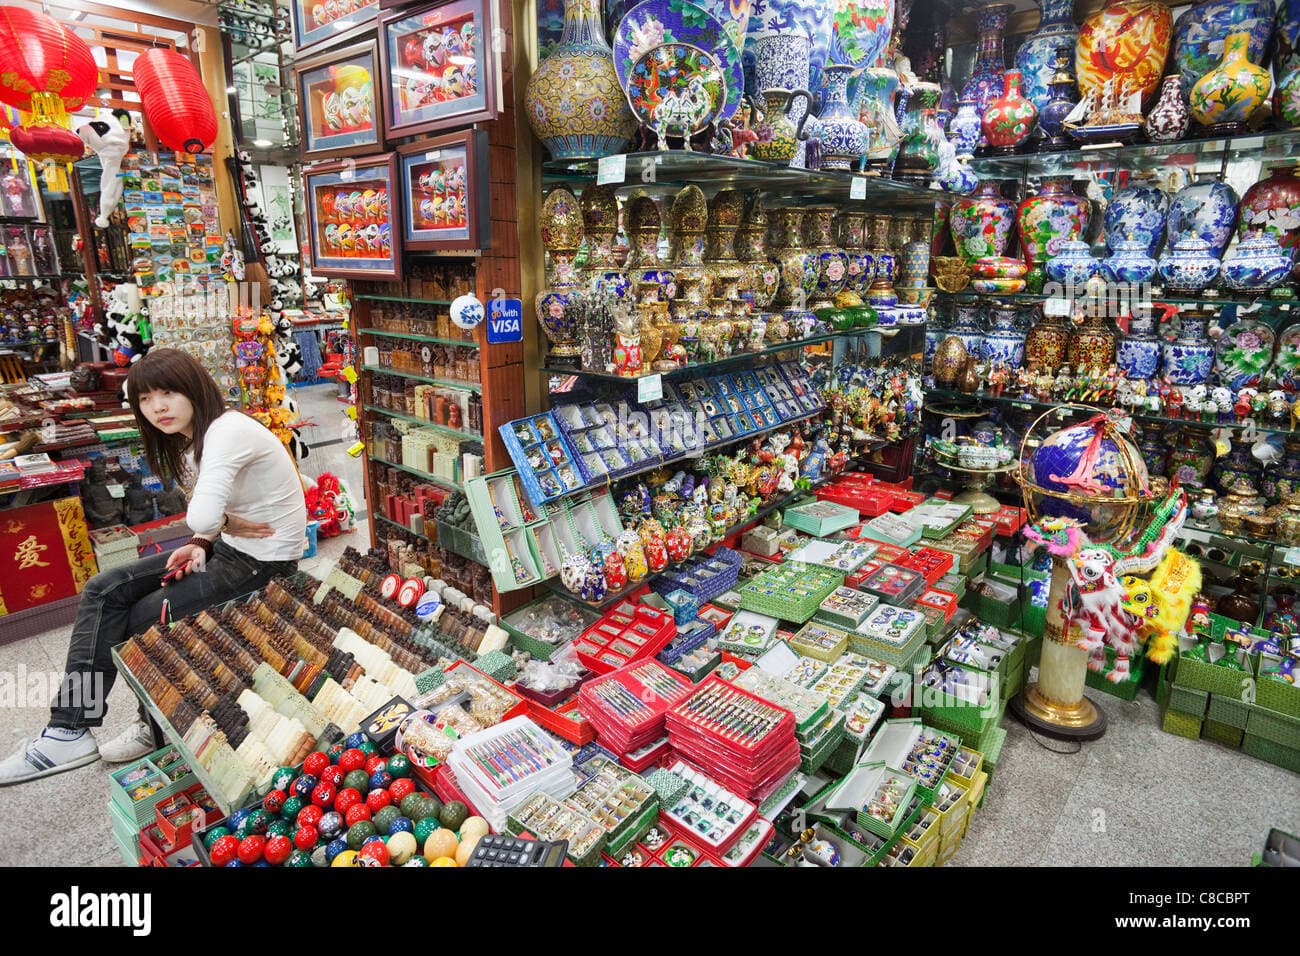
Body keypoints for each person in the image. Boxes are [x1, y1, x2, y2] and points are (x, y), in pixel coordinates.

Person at [0, 349, 307, 785]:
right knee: (105, 589)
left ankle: (153, 724)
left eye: (167, 392)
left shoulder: (227, 431)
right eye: (145, 399)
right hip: (228, 550)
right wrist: (202, 540)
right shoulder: (197, 439)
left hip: (263, 563)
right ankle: (69, 729)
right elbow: (211, 519)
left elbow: (204, 514)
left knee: (144, 618)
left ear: (195, 389)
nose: (157, 407)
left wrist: (208, 528)